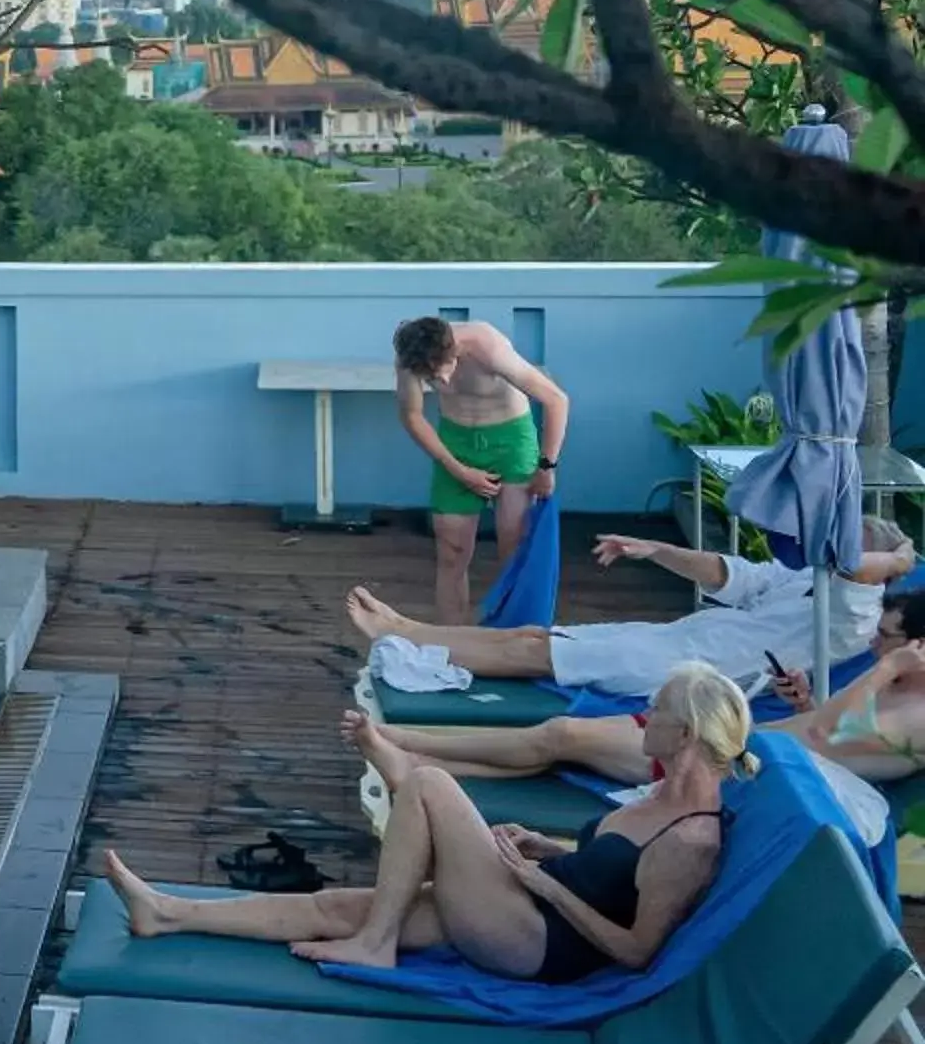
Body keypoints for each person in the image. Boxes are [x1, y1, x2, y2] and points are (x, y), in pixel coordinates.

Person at [104, 662, 748, 979]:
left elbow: (637, 950)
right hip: (526, 902)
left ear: (685, 733)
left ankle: (377, 942)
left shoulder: (690, 839)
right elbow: (605, 872)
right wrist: (545, 853)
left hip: (537, 942)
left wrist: (547, 886)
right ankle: (167, 912)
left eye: (656, 709)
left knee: (430, 785)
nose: (645, 714)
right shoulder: (657, 797)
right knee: (336, 906)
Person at [355, 596, 925, 851]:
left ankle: (413, 752)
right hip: (738, 740)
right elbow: (825, 728)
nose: (876, 646)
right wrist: (804, 703)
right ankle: (415, 755)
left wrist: (885, 672)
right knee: (559, 740)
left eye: (890, 640)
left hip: (726, 763)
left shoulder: (916, 713)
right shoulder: (899, 692)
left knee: (560, 737)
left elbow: (832, 739)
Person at [346, 520, 919, 695]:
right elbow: (729, 573)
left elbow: (856, 567)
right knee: (531, 635)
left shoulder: (853, 619)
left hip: (687, 674)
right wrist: (655, 549)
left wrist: (900, 556)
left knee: (531, 651)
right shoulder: (803, 583)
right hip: (674, 640)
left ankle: (408, 635)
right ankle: (408, 628)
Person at [393, 316, 571, 624]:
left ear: (453, 348)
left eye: (443, 370)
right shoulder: (410, 355)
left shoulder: (487, 345)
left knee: (514, 549)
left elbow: (556, 400)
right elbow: (412, 415)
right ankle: (454, 644)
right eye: (431, 378)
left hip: (511, 441)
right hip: (456, 442)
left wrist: (547, 466)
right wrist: (459, 470)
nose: (443, 382)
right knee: (452, 551)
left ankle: (510, 637)